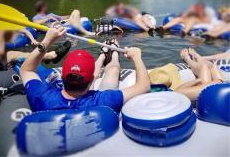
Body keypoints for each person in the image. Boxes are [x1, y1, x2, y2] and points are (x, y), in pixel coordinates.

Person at [20, 27, 150, 113]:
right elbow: (144, 86)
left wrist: (47, 40)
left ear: (63, 77)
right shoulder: (105, 101)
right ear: (93, 78)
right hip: (92, 102)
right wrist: (137, 57)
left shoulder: (43, 98)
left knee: (108, 69)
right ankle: (113, 52)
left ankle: (103, 55)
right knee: (114, 69)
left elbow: (27, 70)